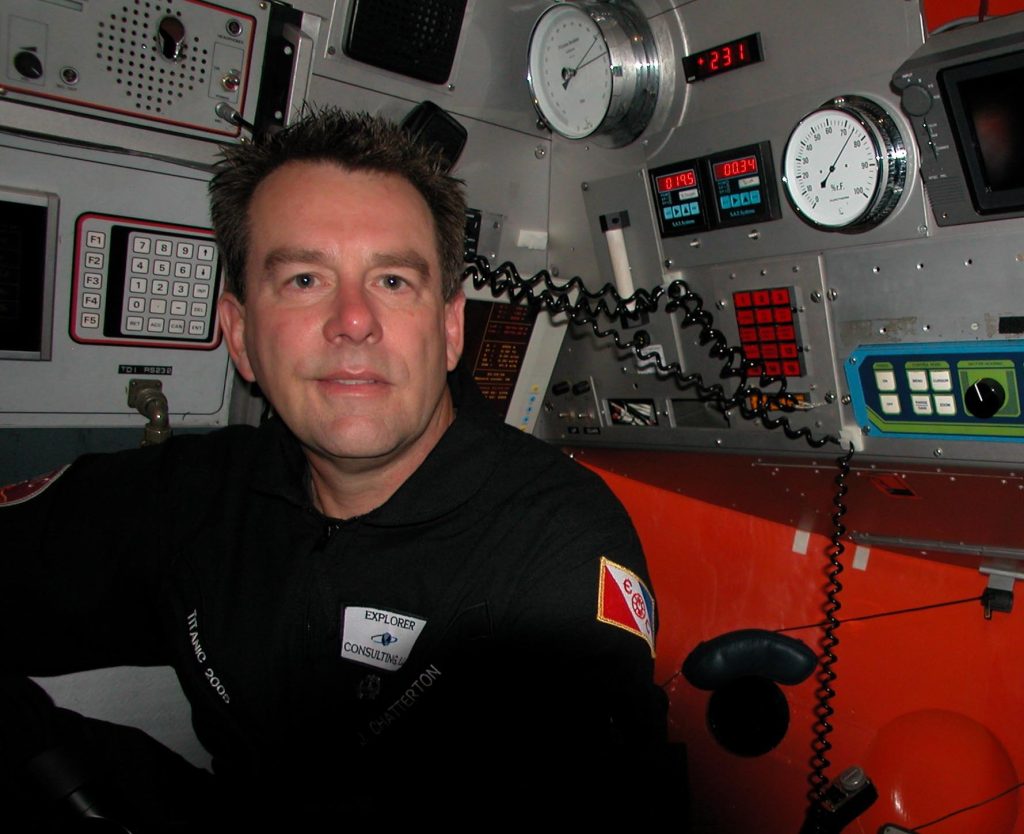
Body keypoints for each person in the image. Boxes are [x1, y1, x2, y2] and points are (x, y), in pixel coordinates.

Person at [2, 108, 667, 828]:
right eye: (304, 279)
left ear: (450, 328)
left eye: (392, 281)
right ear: (240, 337)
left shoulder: (553, 548)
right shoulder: (200, 491)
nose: (353, 320)